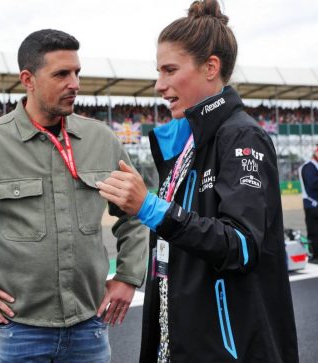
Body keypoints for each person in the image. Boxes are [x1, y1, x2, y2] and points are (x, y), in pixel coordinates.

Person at [0, 29, 147, 362]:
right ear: (28, 79)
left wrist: (127, 277)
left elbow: (133, 211)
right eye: (61, 74)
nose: (75, 84)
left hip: (89, 325)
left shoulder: (102, 141)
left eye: (77, 72)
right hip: (16, 331)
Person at [96, 1, 298, 362]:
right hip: (178, 339)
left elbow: (241, 244)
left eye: (170, 70)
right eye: (158, 72)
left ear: (210, 67)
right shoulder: (185, 142)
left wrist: (150, 207)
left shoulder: (241, 138)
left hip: (226, 347)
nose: (159, 85)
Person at [300, 146, 318, 260]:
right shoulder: (308, 166)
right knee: (314, 232)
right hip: (312, 205)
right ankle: (315, 255)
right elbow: (313, 184)